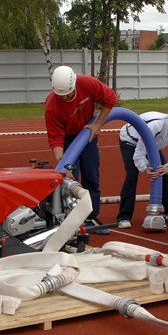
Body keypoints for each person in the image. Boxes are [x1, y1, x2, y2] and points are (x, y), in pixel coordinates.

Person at [45, 65, 117, 234]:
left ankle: (91, 217)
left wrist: (98, 125)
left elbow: (110, 99)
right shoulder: (52, 105)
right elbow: (55, 137)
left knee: (91, 176)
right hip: (69, 140)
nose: (64, 99)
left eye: (68, 95)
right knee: (71, 180)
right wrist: (62, 162)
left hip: (88, 133)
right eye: (60, 96)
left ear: (74, 85)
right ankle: (72, 219)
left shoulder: (88, 83)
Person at [116, 101, 168, 228]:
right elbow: (139, 153)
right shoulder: (155, 126)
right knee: (132, 175)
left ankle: (167, 212)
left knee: (164, 174)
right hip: (131, 142)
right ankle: (124, 216)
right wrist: (145, 168)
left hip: (153, 145)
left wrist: (167, 168)